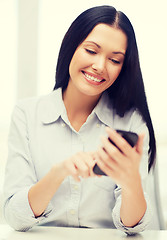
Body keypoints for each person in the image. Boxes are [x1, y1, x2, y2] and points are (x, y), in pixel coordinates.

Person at [3, 5, 156, 235]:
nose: (100, 66)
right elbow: (15, 217)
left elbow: (133, 228)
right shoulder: (26, 114)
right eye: (91, 51)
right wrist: (59, 172)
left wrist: (131, 180)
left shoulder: (131, 122)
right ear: (71, 46)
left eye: (115, 60)